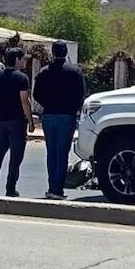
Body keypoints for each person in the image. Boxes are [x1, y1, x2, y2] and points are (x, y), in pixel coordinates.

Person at [33, 41, 86, 199]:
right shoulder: (75, 71)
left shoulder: (44, 72)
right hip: (67, 116)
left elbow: (36, 94)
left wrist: (47, 104)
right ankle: (58, 190)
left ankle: (51, 187)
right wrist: (74, 109)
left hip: (49, 115)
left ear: (52, 52)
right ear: (66, 52)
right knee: (62, 154)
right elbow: (81, 93)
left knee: (51, 153)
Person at [0, 47, 34, 197]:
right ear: (16, 60)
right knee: (16, 156)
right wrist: (30, 120)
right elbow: (24, 101)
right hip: (17, 121)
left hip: (1, 120)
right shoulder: (22, 78)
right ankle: (10, 187)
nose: (25, 61)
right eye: (23, 58)